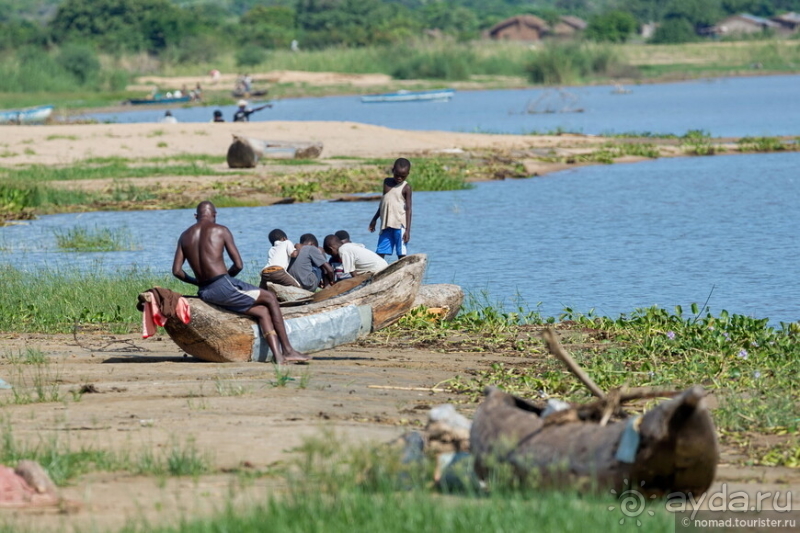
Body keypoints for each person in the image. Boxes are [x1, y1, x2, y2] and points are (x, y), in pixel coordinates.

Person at [172, 201, 309, 364]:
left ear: (196, 216)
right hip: (222, 285)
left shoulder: (185, 235)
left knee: (262, 312)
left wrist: (199, 282)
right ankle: (288, 350)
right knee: (270, 298)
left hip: (205, 291)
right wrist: (225, 279)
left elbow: (177, 271)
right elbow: (238, 265)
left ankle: (278, 357)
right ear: (214, 215)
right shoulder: (220, 230)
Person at [368, 158, 413, 259]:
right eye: (397, 175)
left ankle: (403, 273)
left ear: (408, 174)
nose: (399, 178)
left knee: (401, 254)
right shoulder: (387, 183)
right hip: (386, 225)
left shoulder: (406, 188)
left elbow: (409, 209)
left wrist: (408, 231)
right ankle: (378, 272)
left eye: (403, 176)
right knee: (380, 252)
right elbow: (383, 204)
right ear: (393, 170)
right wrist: (374, 219)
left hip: (399, 225)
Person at [324, 235, 388, 278]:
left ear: (331, 249)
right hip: (383, 266)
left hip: (378, 270)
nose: (333, 257)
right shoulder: (349, 246)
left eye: (331, 254)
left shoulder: (343, 251)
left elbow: (353, 273)